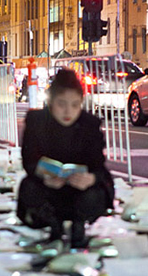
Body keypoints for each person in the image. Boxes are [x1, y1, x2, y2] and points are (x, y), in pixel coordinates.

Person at [17, 69, 114, 248]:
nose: (68, 111)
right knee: (28, 187)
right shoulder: (36, 121)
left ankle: (79, 225)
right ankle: (53, 224)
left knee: (97, 191)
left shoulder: (89, 124)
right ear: (50, 101)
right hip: (49, 187)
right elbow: (29, 161)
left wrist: (90, 178)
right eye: (61, 104)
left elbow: (98, 166)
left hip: (80, 190)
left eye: (75, 105)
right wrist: (44, 177)